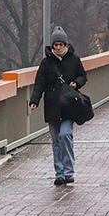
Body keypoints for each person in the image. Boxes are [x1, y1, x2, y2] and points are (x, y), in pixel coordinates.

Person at [29, 26, 87, 185]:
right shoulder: (46, 63)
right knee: (56, 141)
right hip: (53, 105)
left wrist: (77, 83)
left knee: (65, 135)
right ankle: (59, 173)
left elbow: (83, 75)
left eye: (61, 44)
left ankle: (69, 171)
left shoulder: (74, 60)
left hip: (68, 106)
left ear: (65, 44)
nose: (59, 47)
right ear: (52, 46)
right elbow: (39, 83)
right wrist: (35, 100)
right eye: (56, 45)